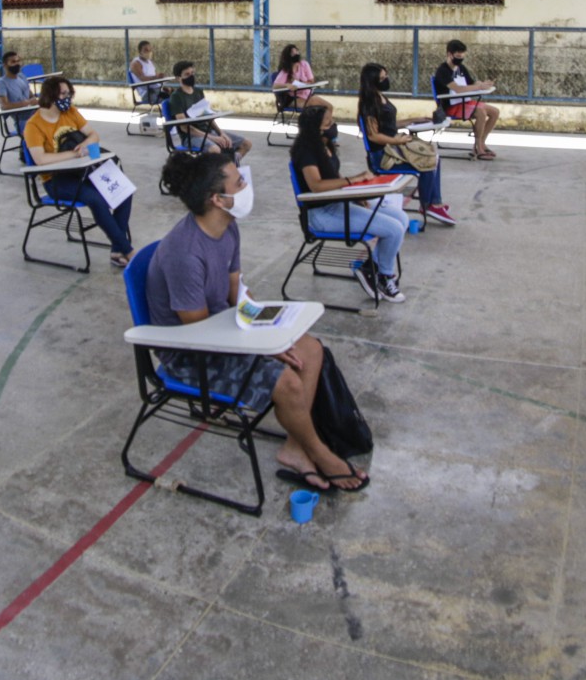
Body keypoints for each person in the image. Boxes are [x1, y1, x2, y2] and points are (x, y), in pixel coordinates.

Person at [147, 150, 368, 493]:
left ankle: (295, 447)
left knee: (309, 350)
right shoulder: (184, 253)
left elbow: (235, 295)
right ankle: (318, 452)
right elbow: (199, 333)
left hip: (222, 328)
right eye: (239, 181)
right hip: (192, 353)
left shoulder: (228, 228)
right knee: (287, 381)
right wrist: (264, 348)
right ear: (218, 199)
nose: (246, 184)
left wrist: (272, 333)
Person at [290, 105, 405, 303]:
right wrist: (353, 180)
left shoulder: (324, 144)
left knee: (401, 218)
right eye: (328, 121)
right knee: (393, 229)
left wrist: (355, 195)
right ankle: (381, 275)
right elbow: (316, 186)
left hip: (337, 204)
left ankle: (371, 266)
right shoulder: (306, 150)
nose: (332, 124)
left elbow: (334, 177)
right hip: (321, 214)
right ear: (315, 126)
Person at [24, 75, 135, 267]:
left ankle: (117, 250)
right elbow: (40, 160)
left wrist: (83, 145)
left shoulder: (71, 112)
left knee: (123, 191)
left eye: (69, 93)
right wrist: (74, 155)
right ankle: (128, 250)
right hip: (56, 180)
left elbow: (94, 135)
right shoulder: (33, 125)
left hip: (82, 172)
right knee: (96, 199)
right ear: (50, 96)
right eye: (63, 94)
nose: (68, 98)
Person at [358, 61, 453, 226]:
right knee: (428, 161)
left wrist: (415, 120)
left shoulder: (380, 97)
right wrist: (397, 140)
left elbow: (389, 125)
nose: (386, 79)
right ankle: (429, 205)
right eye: (382, 78)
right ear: (372, 80)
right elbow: (374, 136)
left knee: (434, 157)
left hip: (392, 147)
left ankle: (434, 202)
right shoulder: (369, 103)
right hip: (384, 156)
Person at [168, 61, 251, 161]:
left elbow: (207, 116)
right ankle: (216, 170)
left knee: (246, 144)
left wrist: (221, 133)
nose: (191, 76)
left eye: (192, 73)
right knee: (215, 150)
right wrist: (213, 138)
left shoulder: (198, 92)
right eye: (187, 74)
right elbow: (184, 127)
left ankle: (232, 162)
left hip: (208, 131)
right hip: (191, 137)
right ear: (178, 78)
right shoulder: (176, 97)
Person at [432, 39, 500, 159]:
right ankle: (478, 148)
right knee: (481, 112)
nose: (460, 59)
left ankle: (482, 143)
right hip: (450, 106)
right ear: (449, 54)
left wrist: (483, 84)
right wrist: (478, 87)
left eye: (462, 56)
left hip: (464, 102)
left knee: (495, 112)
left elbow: (472, 83)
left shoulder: (461, 68)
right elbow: (458, 89)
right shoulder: (442, 71)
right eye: (458, 56)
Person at [271, 42, 330, 119]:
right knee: (315, 107)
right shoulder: (286, 70)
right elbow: (275, 86)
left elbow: (311, 81)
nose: (296, 53)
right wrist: (287, 85)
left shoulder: (304, 64)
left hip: (307, 95)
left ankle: (326, 128)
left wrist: (300, 82)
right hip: (294, 98)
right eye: (293, 52)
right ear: (288, 56)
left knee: (328, 107)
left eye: (296, 51)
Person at [129, 39, 165, 104]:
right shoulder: (135, 63)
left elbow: (153, 75)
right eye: (146, 50)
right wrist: (156, 77)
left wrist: (160, 77)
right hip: (148, 93)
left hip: (157, 89)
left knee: (176, 95)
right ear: (140, 51)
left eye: (150, 50)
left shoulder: (149, 62)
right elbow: (143, 79)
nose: (149, 52)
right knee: (170, 100)